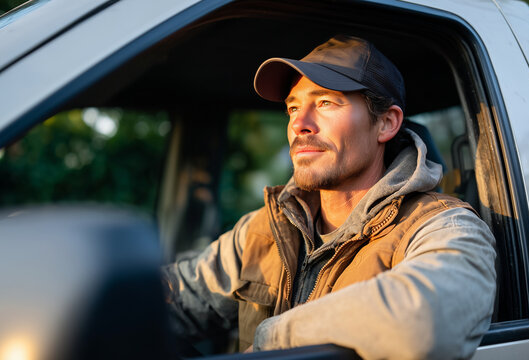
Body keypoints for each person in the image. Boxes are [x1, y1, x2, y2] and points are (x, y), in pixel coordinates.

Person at [162, 35, 497, 359]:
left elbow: (424, 323)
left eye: (325, 102)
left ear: (386, 123)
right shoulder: (264, 228)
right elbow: (180, 296)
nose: (299, 125)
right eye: (293, 108)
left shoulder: (443, 226)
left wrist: (273, 341)